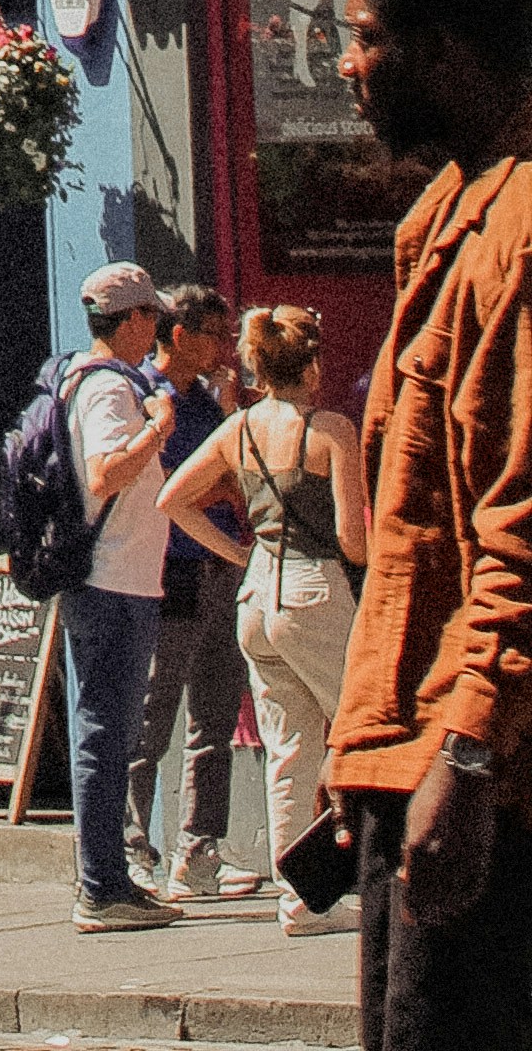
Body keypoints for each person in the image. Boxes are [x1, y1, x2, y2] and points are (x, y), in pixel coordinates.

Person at [327, 0, 532, 1051]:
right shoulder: (451, 210)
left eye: (365, 38)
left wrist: (461, 751)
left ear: (444, 49)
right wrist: (369, 736)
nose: (349, 67)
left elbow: (522, 532)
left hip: (495, 784)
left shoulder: (521, 229)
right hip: (421, 759)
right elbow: (416, 541)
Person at [163, 303, 369, 935]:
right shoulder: (331, 430)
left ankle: (299, 902)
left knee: (288, 751)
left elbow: (173, 499)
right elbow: (353, 541)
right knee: (366, 726)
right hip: (316, 592)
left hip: (256, 598)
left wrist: (237, 549)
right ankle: (391, 878)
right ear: (312, 363)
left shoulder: (241, 428)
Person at [60, 261, 184, 930]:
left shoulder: (106, 382)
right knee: (106, 734)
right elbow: (107, 473)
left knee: (109, 732)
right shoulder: (106, 389)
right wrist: (158, 428)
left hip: (120, 579)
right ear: (130, 319)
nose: (159, 328)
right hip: (111, 581)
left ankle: (108, 882)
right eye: (153, 317)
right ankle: (101, 887)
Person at [132, 286, 255, 902]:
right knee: (151, 718)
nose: (224, 346)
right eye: (213, 333)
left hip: (220, 573)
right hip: (172, 573)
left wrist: (231, 410)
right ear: (179, 334)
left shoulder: (207, 402)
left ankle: (199, 852)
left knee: (214, 716)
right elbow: (162, 490)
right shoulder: (148, 397)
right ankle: (133, 852)